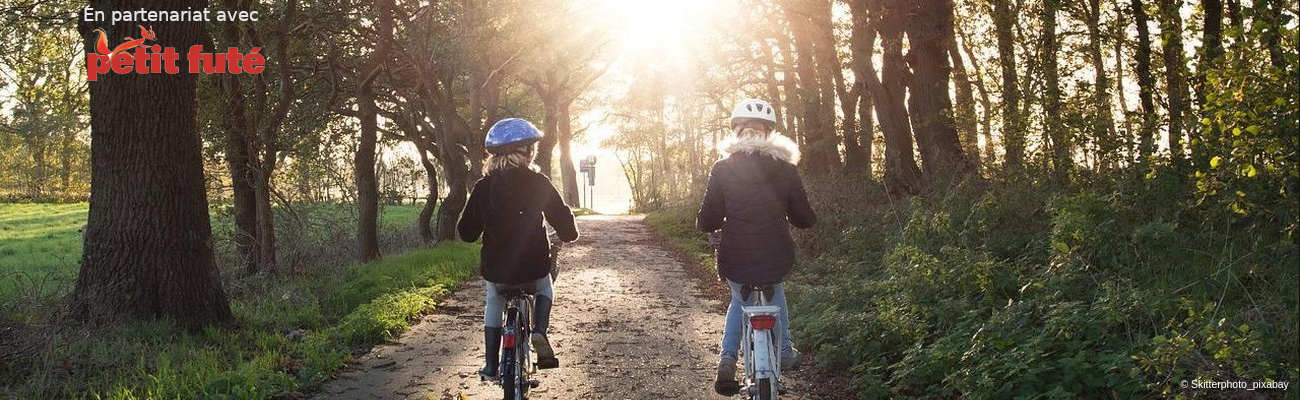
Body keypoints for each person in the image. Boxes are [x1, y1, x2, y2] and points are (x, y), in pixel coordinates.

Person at [697, 99, 816, 395]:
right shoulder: (785, 168)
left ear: (737, 133)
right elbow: (804, 218)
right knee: (776, 287)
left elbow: (708, 218)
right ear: (769, 134)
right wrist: (798, 216)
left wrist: (709, 225)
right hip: (776, 253)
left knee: (740, 298)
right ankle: (785, 350)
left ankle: (727, 359)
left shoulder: (722, 168)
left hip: (735, 254)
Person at [458, 117, 579, 381]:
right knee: (545, 286)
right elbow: (565, 226)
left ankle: (491, 365)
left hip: (497, 270)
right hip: (534, 267)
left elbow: (466, 233)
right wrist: (568, 232)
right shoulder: (539, 182)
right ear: (526, 152)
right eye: (531, 148)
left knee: (494, 298)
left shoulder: (483, 187)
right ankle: (539, 331)